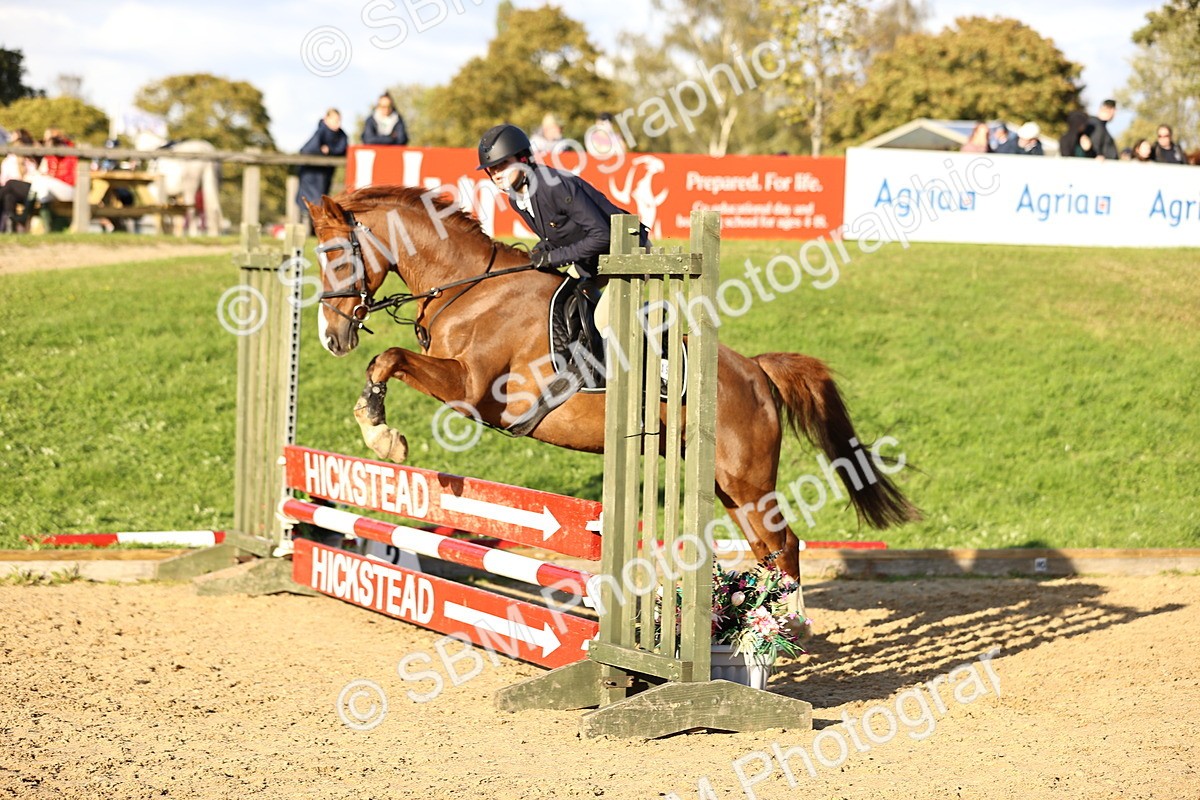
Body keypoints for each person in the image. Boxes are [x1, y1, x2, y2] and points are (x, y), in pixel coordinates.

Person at [476, 123, 648, 327]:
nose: (496, 173)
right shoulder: (517, 198)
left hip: (627, 255)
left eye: (503, 164)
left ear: (523, 159)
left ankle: (649, 342)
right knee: (557, 302)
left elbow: (603, 235)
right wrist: (537, 253)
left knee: (602, 322)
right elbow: (558, 235)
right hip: (595, 262)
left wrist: (552, 258)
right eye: (492, 168)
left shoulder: (553, 186)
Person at [297, 109, 348, 231]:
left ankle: (315, 229)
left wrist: (329, 150)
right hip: (311, 174)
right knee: (310, 202)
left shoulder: (341, 135)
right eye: (335, 120)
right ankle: (309, 229)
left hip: (324, 175)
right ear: (326, 119)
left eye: (339, 120)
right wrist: (322, 151)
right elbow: (308, 150)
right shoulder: (321, 131)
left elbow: (342, 149)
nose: (338, 123)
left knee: (320, 201)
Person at [0, 129, 37, 233]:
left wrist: (21, 165)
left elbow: (29, 179)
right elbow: (2, 181)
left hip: (28, 191)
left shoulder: (30, 161)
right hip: (10, 191)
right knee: (8, 197)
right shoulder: (8, 160)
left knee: (11, 183)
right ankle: (10, 227)